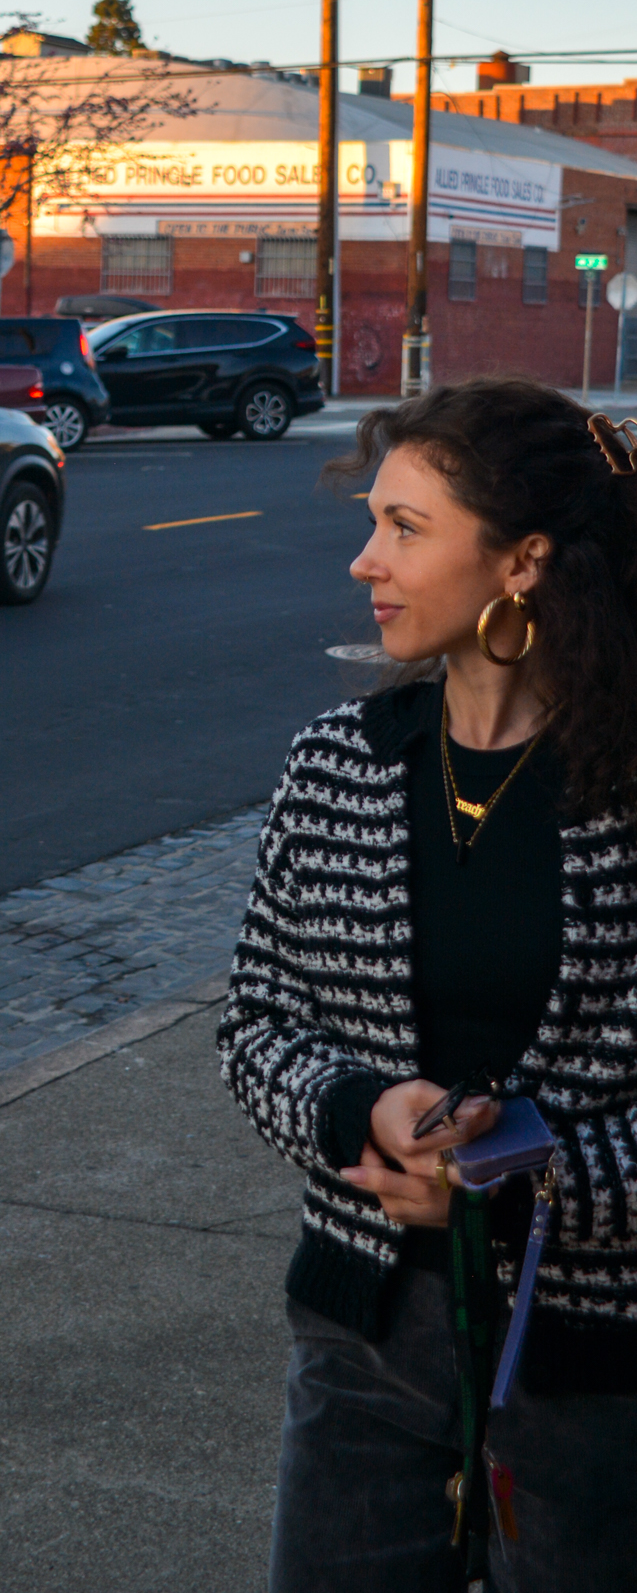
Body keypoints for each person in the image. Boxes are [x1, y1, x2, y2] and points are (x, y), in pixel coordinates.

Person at [218, 376, 637, 1593]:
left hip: (589, 1348)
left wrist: (517, 1184)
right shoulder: (337, 763)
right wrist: (363, 1107)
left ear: (523, 561)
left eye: (406, 527)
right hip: (364, 1318)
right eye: (374, 522)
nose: (366, 561)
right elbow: (256, 1024)